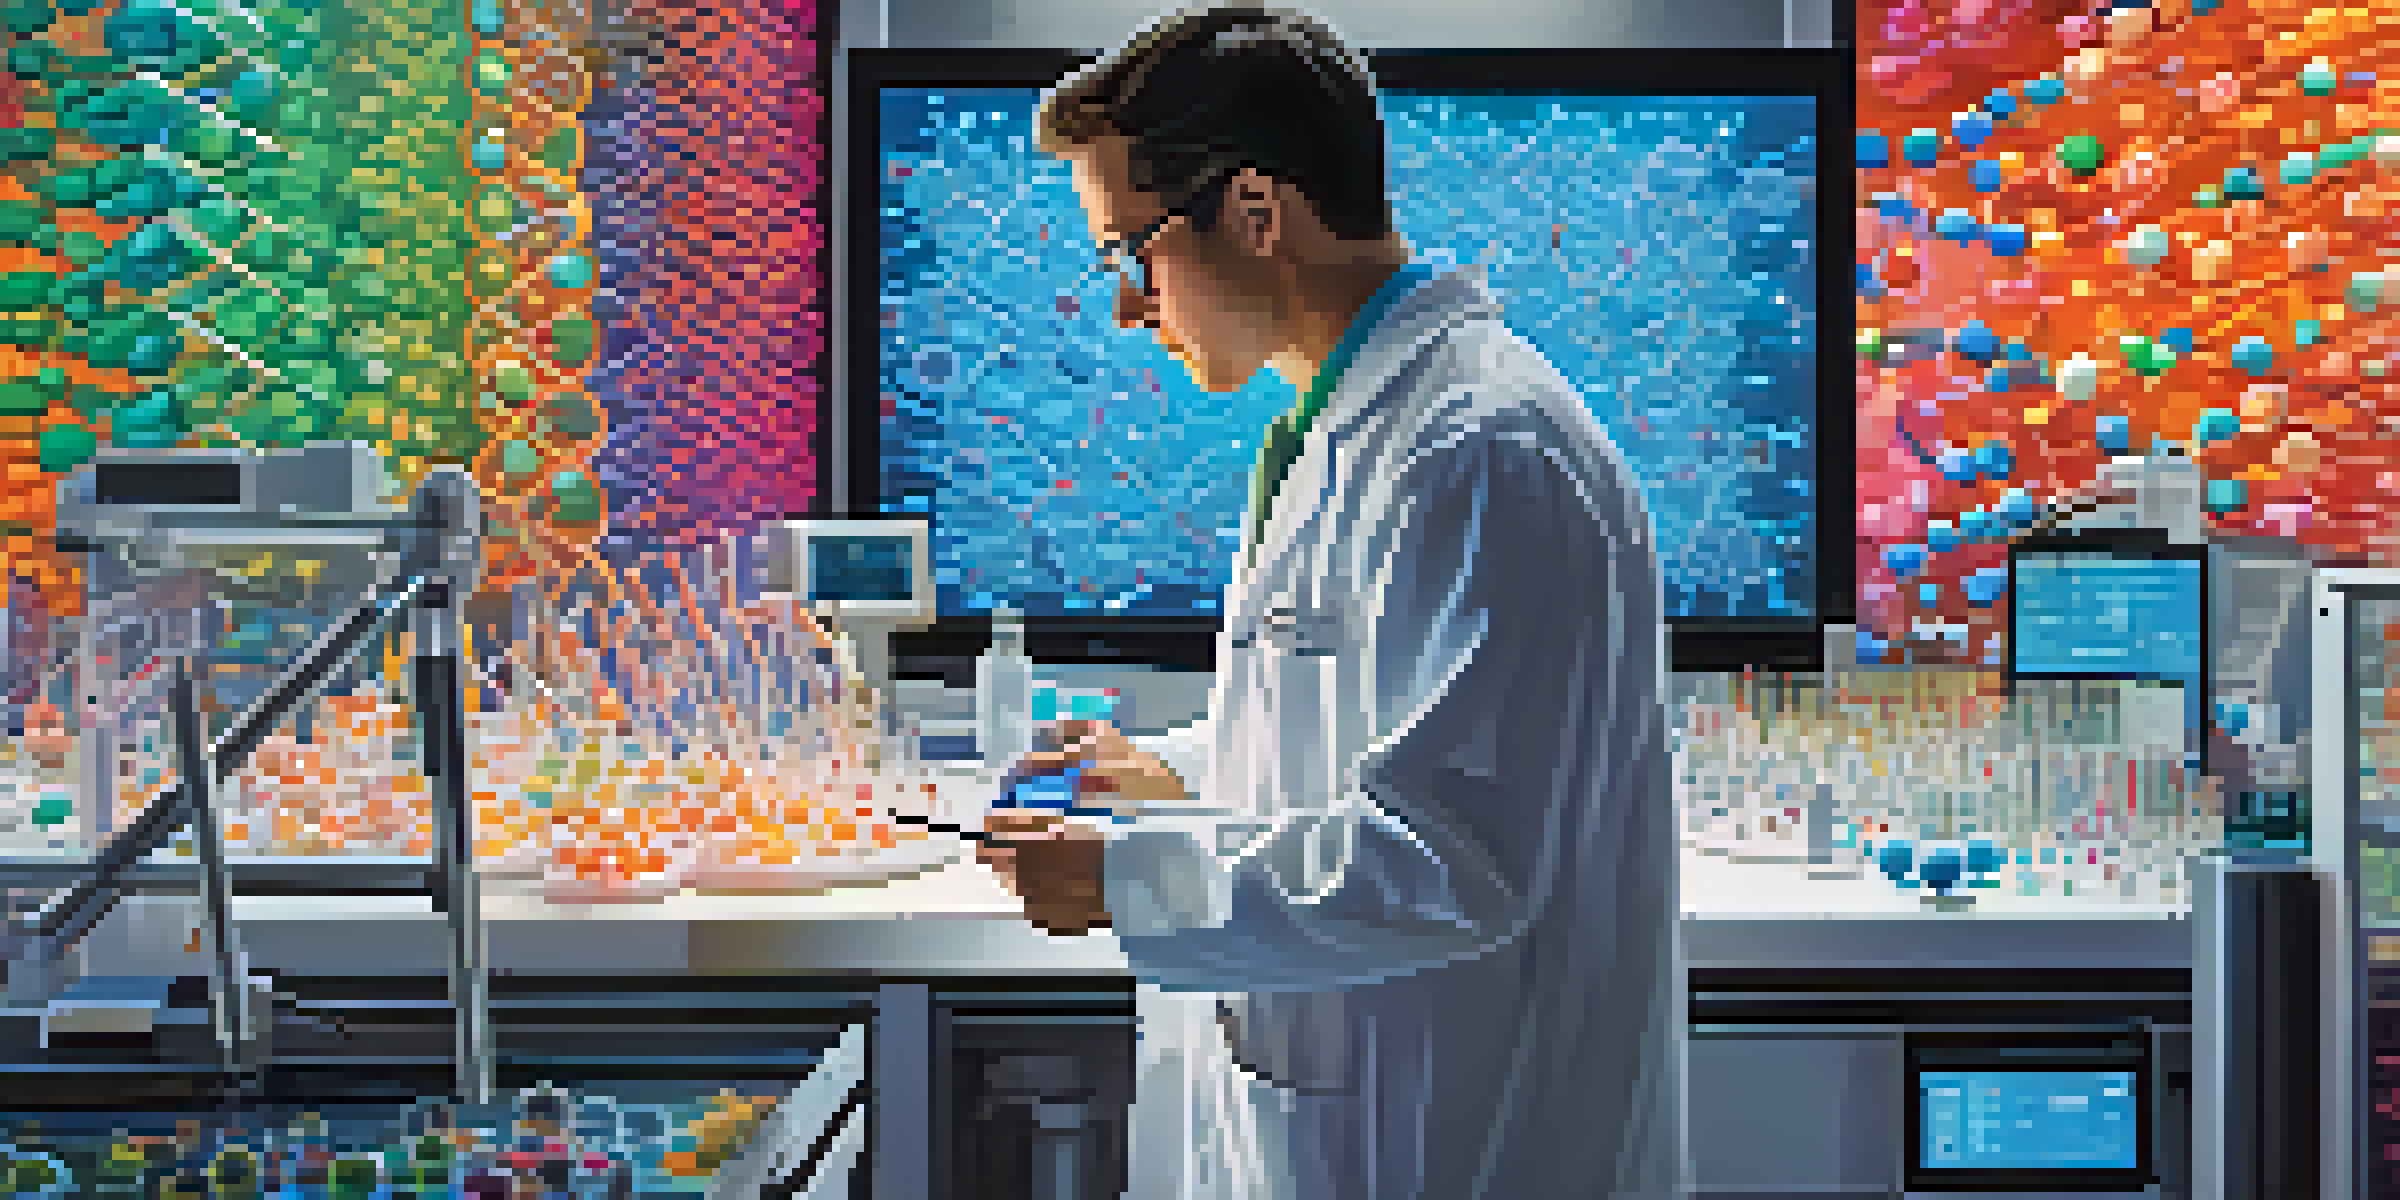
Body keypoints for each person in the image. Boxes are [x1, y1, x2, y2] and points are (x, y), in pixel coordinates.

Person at [976, 5, 1683, 1198]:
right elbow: (1366, 733)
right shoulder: (1344, 430)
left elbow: (1460, 859)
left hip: (1454, 1149)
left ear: (1257, 210)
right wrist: (1176, 777)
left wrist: (1127, 882)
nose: (1128, 308)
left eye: (1132, 252)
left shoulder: (1484, 451)